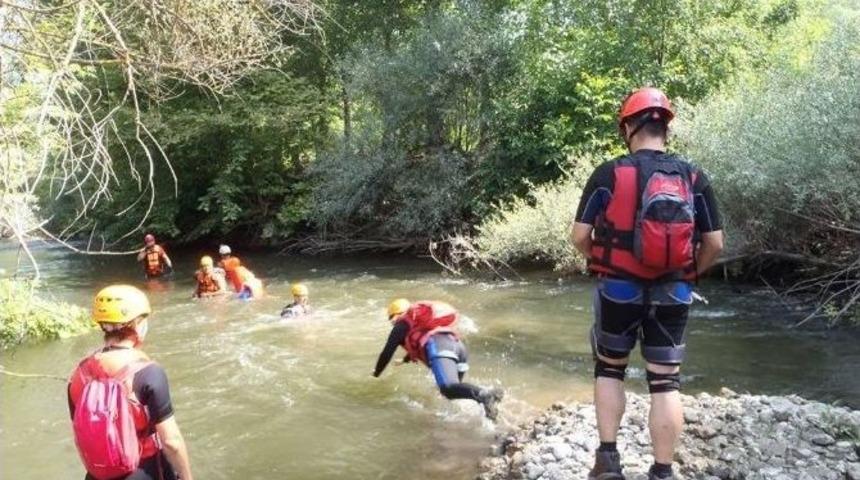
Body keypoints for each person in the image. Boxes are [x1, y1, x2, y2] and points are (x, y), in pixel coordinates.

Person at [571, 87, 724, 480]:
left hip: (618, 285)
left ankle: (608, 461)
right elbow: (715, 243)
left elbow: (578, 235)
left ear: (628, 127)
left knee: (609, 369)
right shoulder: (694, 176)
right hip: (674, 288)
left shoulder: (608, 173)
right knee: (665, 380)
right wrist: (690, 273)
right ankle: (662, 470)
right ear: (664, 127)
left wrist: (598, 260)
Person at [67, 285, 193, 480]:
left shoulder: (78, 375)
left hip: (96, 475)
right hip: (145, 471)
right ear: (137, 324)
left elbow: (80, 436)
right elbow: (171, 442)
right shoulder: (149, 372)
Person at [372, 299, 504, 420]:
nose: (392, 322)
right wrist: (405, 360)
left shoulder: (401, 324)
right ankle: (490, 413)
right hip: (458, 348)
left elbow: (387, 352)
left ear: (395, 315)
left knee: (447, 388)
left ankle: (486, 395)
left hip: (439, 348)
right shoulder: (420, 323)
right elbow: (418, 342)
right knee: (454, 392)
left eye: (391, 319)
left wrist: (376, 374)